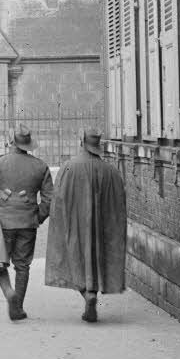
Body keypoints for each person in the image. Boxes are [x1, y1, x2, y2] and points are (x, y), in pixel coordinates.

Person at [44, 128, 128, 323]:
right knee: (97, 258)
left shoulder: (68, 168)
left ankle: (86, 293)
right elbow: (119, 204)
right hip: (102, 226)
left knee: (74, 256)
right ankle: (93, 291)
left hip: (75, 223)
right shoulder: (111, 171)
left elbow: (58, 200)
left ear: (81, 142)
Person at [0, 123, 53, 321]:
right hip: (28, 222)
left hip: (2, 223)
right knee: (23, 266)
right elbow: (49, 199)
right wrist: (38, 217)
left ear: (11, 142)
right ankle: (17, 306)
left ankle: (9, 292)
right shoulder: (41, 166)